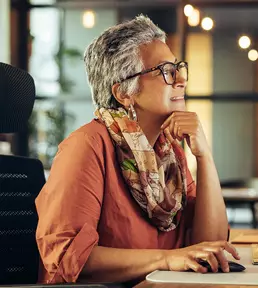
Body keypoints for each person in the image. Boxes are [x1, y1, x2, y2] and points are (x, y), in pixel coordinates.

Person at [35, 15, 238, 285]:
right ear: (124, 93)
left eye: (178, 68)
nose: (181, 79)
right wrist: (166, 259)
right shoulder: (86, 147)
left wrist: (204, 156)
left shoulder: (170, 155)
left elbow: (209, 247)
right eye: (165, 70)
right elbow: (67, 257)